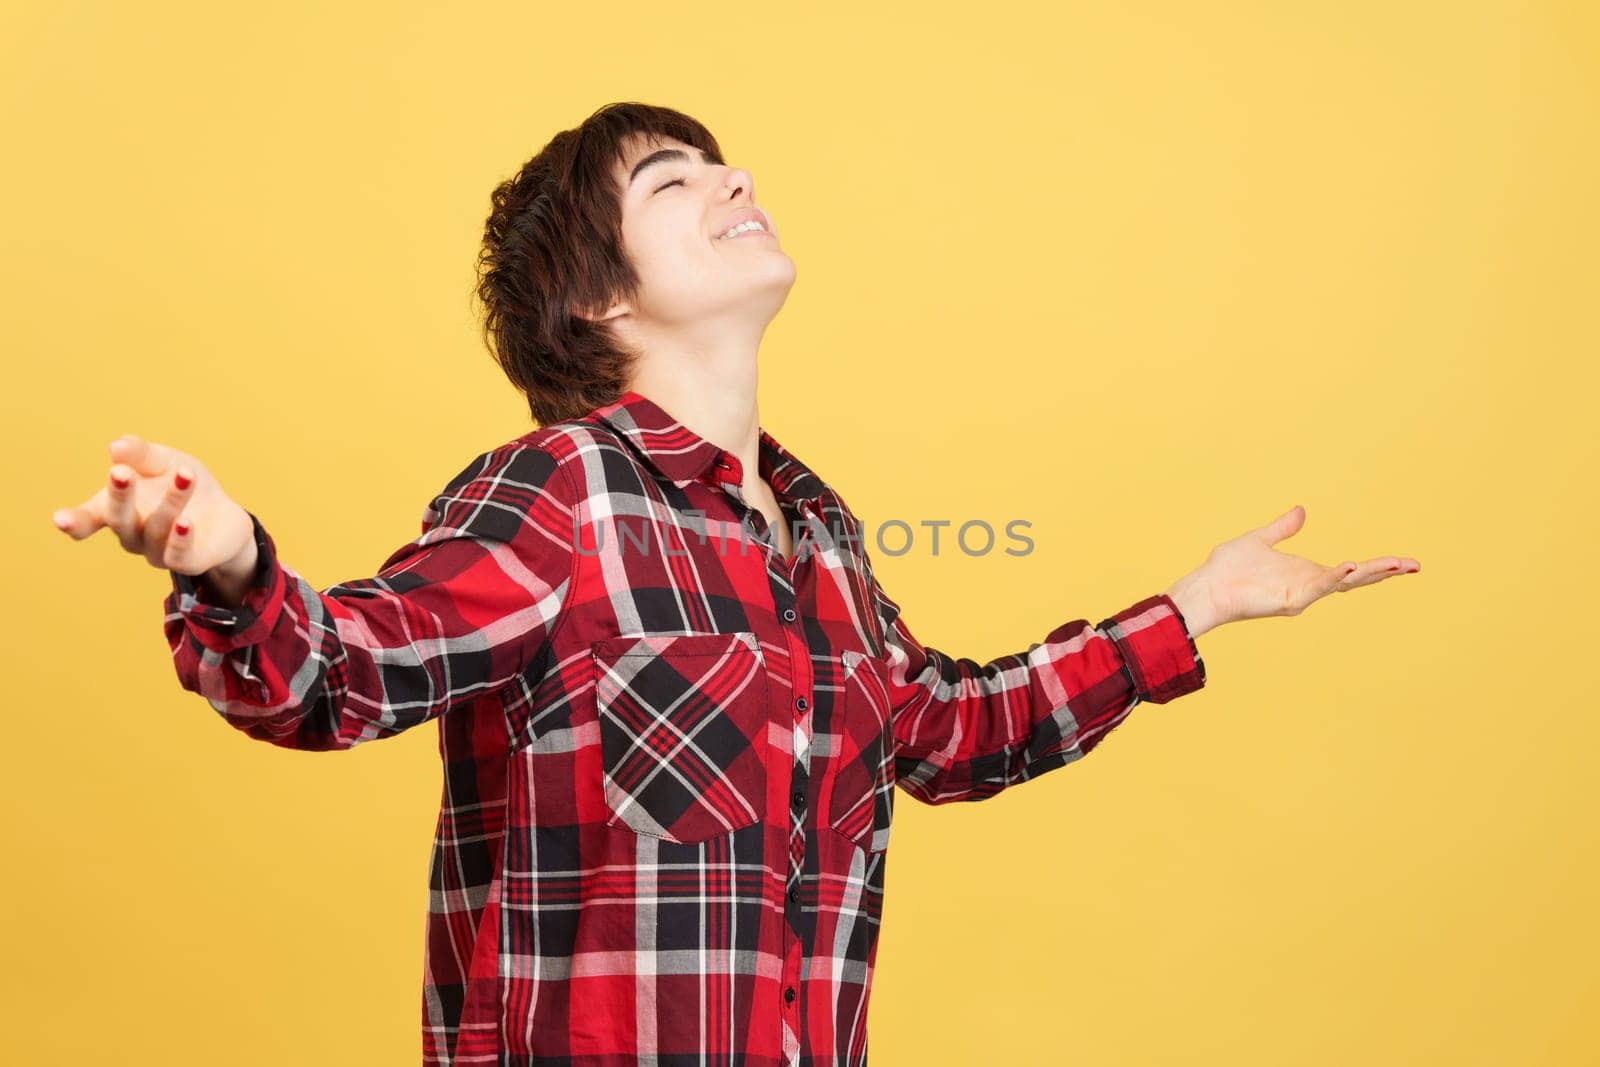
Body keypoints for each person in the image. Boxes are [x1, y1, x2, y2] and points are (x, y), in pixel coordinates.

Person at [50, 102, 1419, 1067]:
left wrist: (1198, 608)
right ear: (598, 300)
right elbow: (346, 671)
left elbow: (943, 732)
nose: (728, 180)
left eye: (719, 163)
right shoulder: (563, 492)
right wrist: (231, 564)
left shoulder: (817, 540)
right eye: (671, 183)